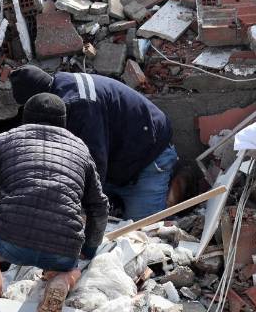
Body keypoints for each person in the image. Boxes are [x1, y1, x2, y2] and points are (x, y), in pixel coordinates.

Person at [0, 94, 108, 312]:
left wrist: (4, 194)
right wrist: (88, 250)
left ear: (25, 118)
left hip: (11, 245)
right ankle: (65, 278)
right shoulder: (80, 147)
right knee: (69, 266)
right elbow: (99, 207)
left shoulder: (6, 139)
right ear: (63, 121)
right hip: (63, 251)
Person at [9, 65, 176, 222]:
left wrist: (85, 210)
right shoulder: (59, 85)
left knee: (142, 231)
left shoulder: (79, 104)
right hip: (118, 160)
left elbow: (95, 160)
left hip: (147, 157)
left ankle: (180, 185)